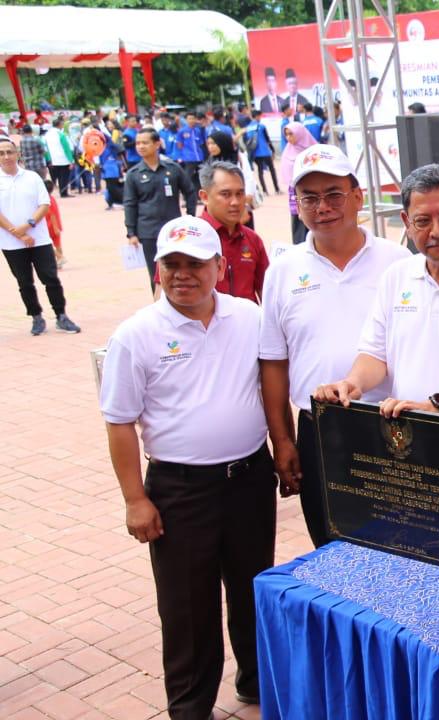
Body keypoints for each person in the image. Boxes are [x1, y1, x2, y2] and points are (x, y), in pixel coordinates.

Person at [100, 216, 275, 719]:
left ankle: (255, 681)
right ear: (157, 270)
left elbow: (270, 387)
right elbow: (118, 423)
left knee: (251, 589)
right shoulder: (135, 336)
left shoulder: (247, 317)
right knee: (187, 607)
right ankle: (190, 706)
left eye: (195, 264)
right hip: (180, 489)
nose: (183, 274)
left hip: (247, 479)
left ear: (219, 267)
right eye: (171, 264)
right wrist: (136, 499)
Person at [259, 144, 410, 548]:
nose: (322, 206)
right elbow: (273, 362)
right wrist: (284, 440)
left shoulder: (398, 262)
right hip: (319, 429)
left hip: (392, 425)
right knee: (330, 543)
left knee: (404, 542)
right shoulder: (283, 271)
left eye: (333, 194)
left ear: (358, 196)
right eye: (309, 197)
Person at [315, 164, 439, 420]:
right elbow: (376, 354)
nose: (436, 231)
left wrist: (434, 407)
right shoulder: (395, 277)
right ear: (407, 224)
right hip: (405, 433)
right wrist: (354, 383)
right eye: (422, 221)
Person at [0, 137, 80, 335]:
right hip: (11, 243)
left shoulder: (32, 177)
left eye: (10, 152)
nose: (6, 156)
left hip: (40, 239)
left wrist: (28, 226)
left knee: (50, 278)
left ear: (18, 153)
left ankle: (61, 315)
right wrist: (16, 232)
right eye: (1, 153)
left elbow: (44, 204)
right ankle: (36, 317)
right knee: (24, 282)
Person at [124, 128, 198, 292]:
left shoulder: (172, 168)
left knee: (177, 269)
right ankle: (160, 308)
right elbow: (129, 204)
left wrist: (190, 217)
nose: (140, 146)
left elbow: (190, 191)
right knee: (155, 273)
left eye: (145, 143)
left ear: (157, 144)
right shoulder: (134, 174)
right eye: (138, 143)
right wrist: (131, 233)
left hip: (174, 230)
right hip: (148, 231)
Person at [199, 160, 269, 303]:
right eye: (226, 194)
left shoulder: (252, 240)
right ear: (205, 197)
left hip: (249, 323)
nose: (235, 202)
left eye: (240, 194)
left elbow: (267, 294)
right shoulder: (188, 239)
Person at [278, 121, 318, 246]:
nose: (289, 138)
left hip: (312, 192)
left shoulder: (312, 151)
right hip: (295, 193)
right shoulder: (287, 151)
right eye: (286, 135)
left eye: (291, 134)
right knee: (298, 223)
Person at [242, 110, 280, 194]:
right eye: (260, 116)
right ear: (257, 116)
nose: (260, 118)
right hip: (265, 151)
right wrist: (272, 150)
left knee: (260, 171)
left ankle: (265, 190)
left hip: (255, 153)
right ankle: (277, 189)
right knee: (272, 170)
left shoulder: (248, 128)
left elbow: (246, 141)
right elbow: (267, 139)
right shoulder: (261, 126)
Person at [44, 117, 75, 197]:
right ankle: (64, 192)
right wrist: (71, 160)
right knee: (64, 177)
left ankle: (62, 192)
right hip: (63, 159)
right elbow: (66, 148)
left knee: (59, 177)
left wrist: (49, 159)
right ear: (60, 125)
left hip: (53, 159)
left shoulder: (47, 134)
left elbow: (46, 148)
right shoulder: (61, 134)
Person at [175, 112, 206, 191]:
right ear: (186, 120)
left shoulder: (198, 130)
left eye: (193, 118)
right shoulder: (182, 131)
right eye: (189, 119)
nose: (191, 120)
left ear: (196, 119)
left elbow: (201, 143)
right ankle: (186, 194)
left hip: (199, 157)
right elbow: (179, 144)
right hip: (188, 157)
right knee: (188, 177)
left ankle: (199, 193)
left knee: (200, 176)